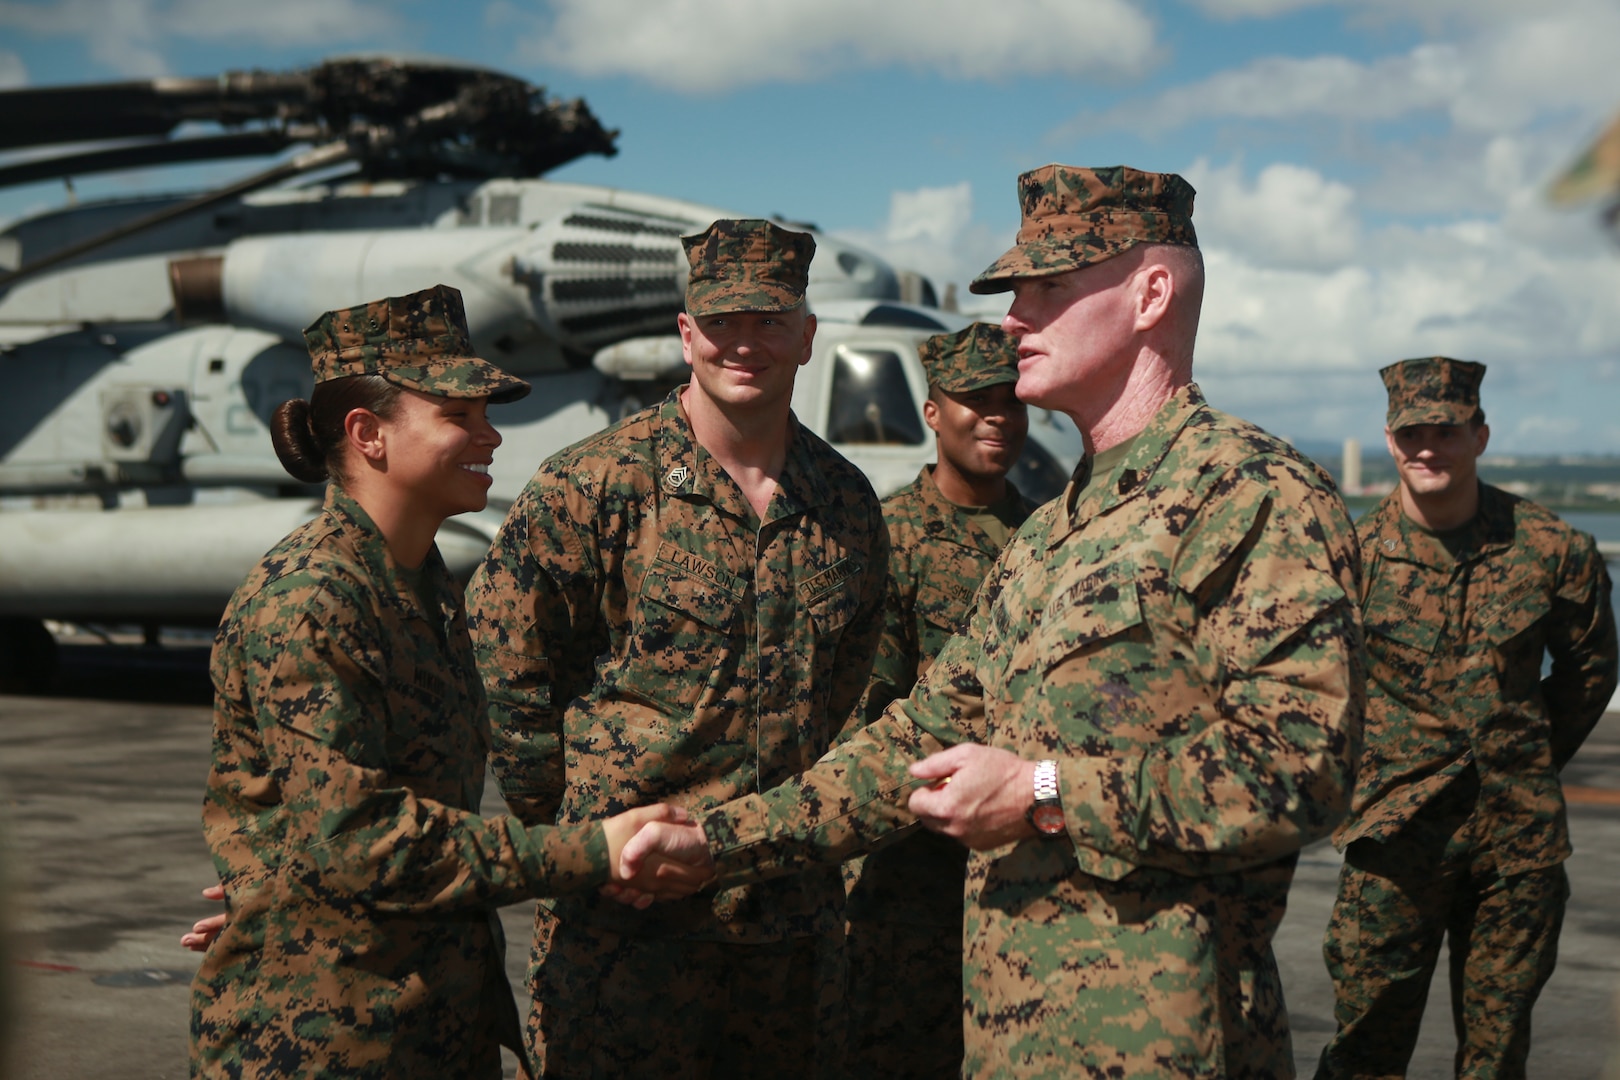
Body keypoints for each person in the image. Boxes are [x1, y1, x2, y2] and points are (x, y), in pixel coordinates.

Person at [622, 165, 1367, 1077]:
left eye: (1047, 289)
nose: (1015, 319)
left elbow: (1302, 769)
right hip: (1009, 1044)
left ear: (1152, 294)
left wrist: (1041, 792)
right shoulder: (1051, 531)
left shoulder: (1253, 496)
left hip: (1164, 1047)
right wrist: (716, 843)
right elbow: (919, 733)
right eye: (1016, 293)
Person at [189, 284, 704, 1080]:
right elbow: (362, 845)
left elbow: (334, 831)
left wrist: (283, 868)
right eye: (457, 416)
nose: (489, 436)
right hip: (322, 1040)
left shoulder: (420, 585)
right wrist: (592, 851)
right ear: (368, 434)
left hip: (427, 1022)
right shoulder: (310, 602)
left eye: (484, 414)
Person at [464, 220, 888, 1077]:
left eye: (770, 322)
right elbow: (508, 676)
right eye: (722, 321)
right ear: (686, 332)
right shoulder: (594, 486)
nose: (746, 343)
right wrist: (579, 845)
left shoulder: (844, 503)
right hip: (626, 932)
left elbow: (848, 700)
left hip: (789, 932)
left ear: (808, 336)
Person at [1315, 358, 1618, 1079]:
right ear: (1390, 442)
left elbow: (1589, 674)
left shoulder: (1551, 550)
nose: (1428, 447)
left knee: (1496, 1056)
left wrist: (1522, 757)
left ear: (1479, 435)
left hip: (1516, 847)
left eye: (1446, 430)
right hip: (1393, 843)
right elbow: (1320, 691)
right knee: (1364, 1050)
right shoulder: (1351, 563)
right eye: (1411, 431)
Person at [843, 321, 1033, 1078]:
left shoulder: (1045, 534)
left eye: (1011, 401)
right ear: (932, 414)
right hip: (907, 873)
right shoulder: (889, 538)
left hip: (1021, 857)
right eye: (974, 400)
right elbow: (869, 717)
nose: (996, 417)